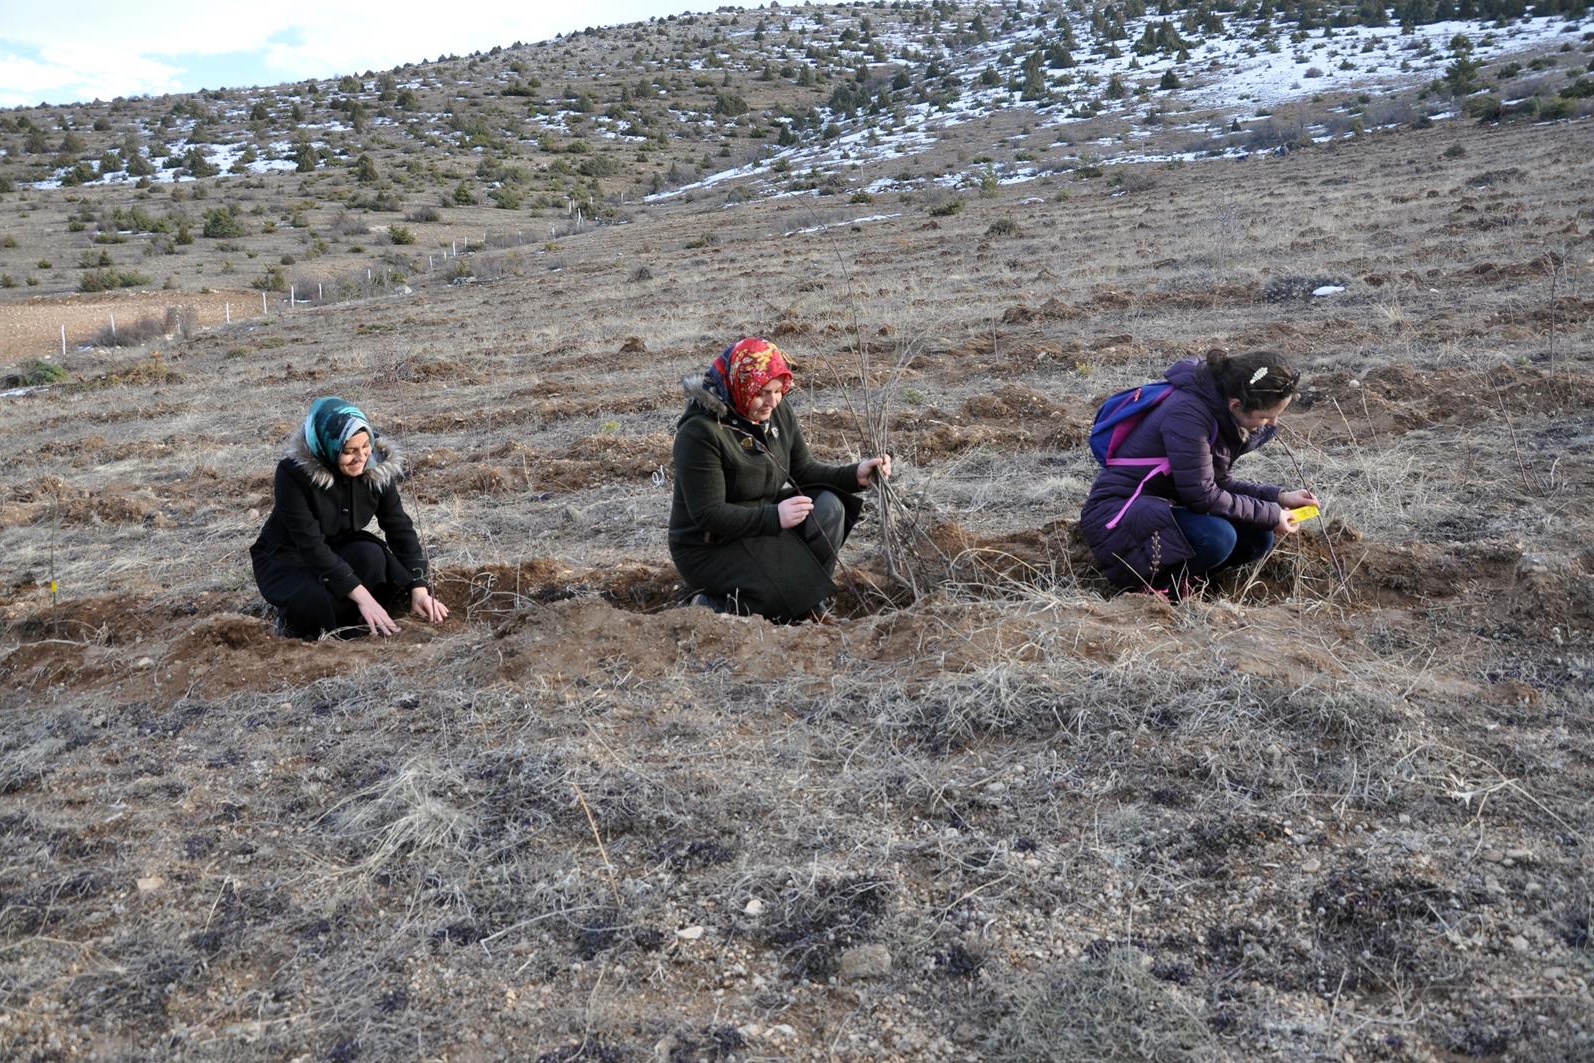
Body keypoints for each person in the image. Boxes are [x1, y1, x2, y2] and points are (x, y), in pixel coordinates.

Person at [669, 337, 891, 622]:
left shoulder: (776, 411)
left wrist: (855, 474)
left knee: (828, 507)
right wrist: (775, 517)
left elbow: (806, 471)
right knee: (777, 598)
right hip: (710, 545)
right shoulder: (701, 433)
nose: (772, 401)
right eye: (762, 392)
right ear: (740, 387)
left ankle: (810, 602)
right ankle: (712, 604)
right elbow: (708, 514)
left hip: (761, 526)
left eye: (778, 390)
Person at [1080, 350, 1319, 599]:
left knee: (1258, 537)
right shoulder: (1188, 415)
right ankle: (1154, 588)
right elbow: (1203, 495)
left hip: (1162, 508)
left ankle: (1188, 577)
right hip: (1120, 516)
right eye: (1266, 417)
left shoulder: (1220, 411)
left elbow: (1218, 483)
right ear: (1236, 404)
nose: (1272, 424)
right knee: (1217, 537)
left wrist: (1279, 498)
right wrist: (1271, 513)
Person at [251, 396, 448, 639]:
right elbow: (310, 544)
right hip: (290, 557)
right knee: (315, 601)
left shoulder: (376, 469)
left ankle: (350, 612)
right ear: (328, 445)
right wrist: (364, 597)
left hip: (339, 548)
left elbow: (399, 527)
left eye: (366, 447)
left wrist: (419, 588)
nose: (361, 458)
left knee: (373, 558)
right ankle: (300, 620)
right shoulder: (292, 474)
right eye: (349, 451)